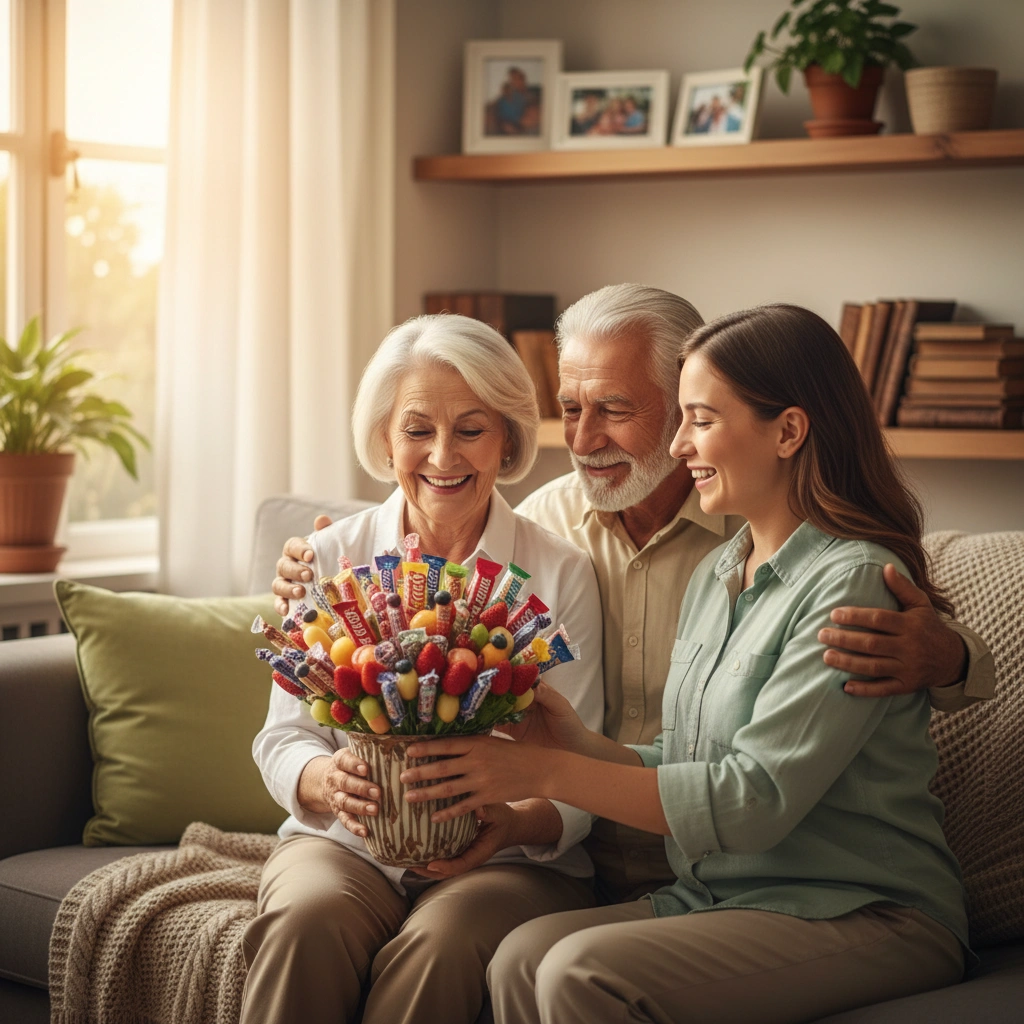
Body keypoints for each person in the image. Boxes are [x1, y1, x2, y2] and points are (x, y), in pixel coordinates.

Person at [272, 284, 994, 906]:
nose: (584, 440)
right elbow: (412, 564)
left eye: (614, 408)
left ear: (686, 405)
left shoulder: (752, 537)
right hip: (588, 863)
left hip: (720, 868)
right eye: (571, 408)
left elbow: (874, 591)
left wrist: (951, 658)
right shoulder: (545, 525)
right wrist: (317, 573)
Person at [402, 304, 970, 1023]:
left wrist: (543, 773)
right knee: (519, 955)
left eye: (699, 420)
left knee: (579, 971)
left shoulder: (853, 581)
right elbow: (687, 753)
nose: (678, 447)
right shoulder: (721, 571)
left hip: (859, 907)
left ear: (789, 431)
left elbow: (754, 798)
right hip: (719, 895)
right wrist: (572, 743)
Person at [241, 314, 604, 1024]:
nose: (443, 455)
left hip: (506, 861)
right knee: (304, 920)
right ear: (384, 440)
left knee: (440, 943)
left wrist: (512, 821)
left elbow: (582, 764)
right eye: (417, 430)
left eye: (471, 429)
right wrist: (323, 781)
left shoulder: (561, 575)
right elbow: (281, 738)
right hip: (344, 847)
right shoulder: (326, 559)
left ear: (507, 439)